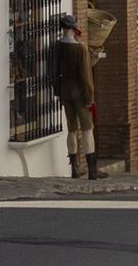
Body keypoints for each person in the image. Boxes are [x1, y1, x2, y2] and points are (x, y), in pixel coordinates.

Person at [51, 10, 97, 178]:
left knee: (71, 129)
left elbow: (54, 70)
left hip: (64, 91)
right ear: (74, 29)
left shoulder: (57, 47)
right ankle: (92, 170)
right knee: (86, 129)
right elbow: (86, 76)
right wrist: (89, 97)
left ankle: (74, 168)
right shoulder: (80, 49)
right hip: (79, 93)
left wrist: (58, 90)